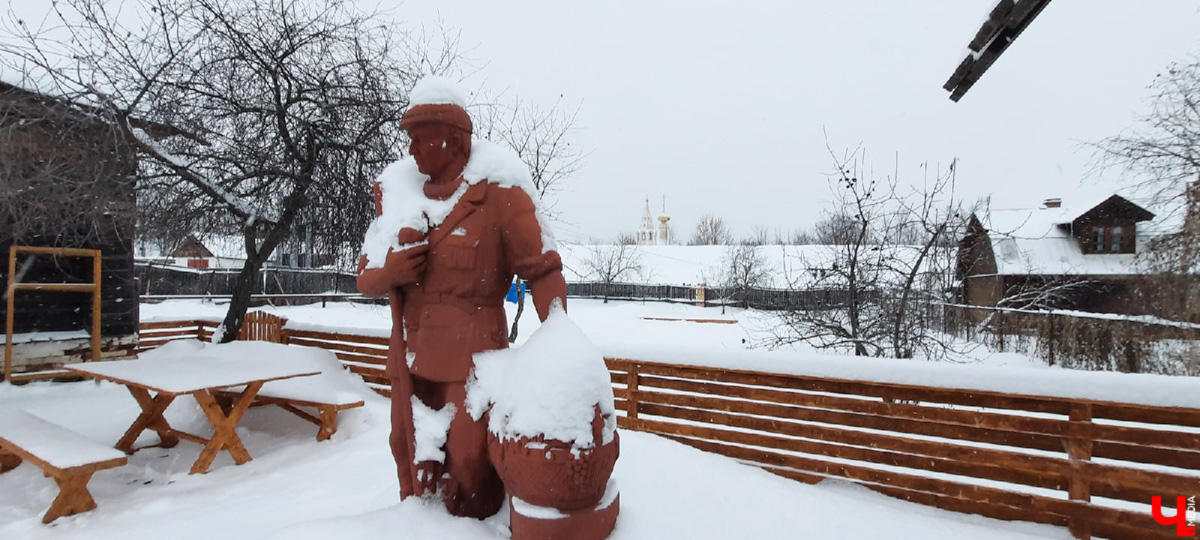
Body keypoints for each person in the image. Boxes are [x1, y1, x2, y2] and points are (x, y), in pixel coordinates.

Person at [356, 90, 567, 519]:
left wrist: (559, 340)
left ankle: (477, 527)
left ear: (456, 140)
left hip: (473, 361)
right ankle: (417, 525)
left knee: (469, 458)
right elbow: (366, 274)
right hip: (413, 358)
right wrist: (390, 272)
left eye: (421, 138)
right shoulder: (398, 195)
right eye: (409, 139)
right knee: (407, 452)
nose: (411, 149)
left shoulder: (501, 192)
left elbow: (543, 271)